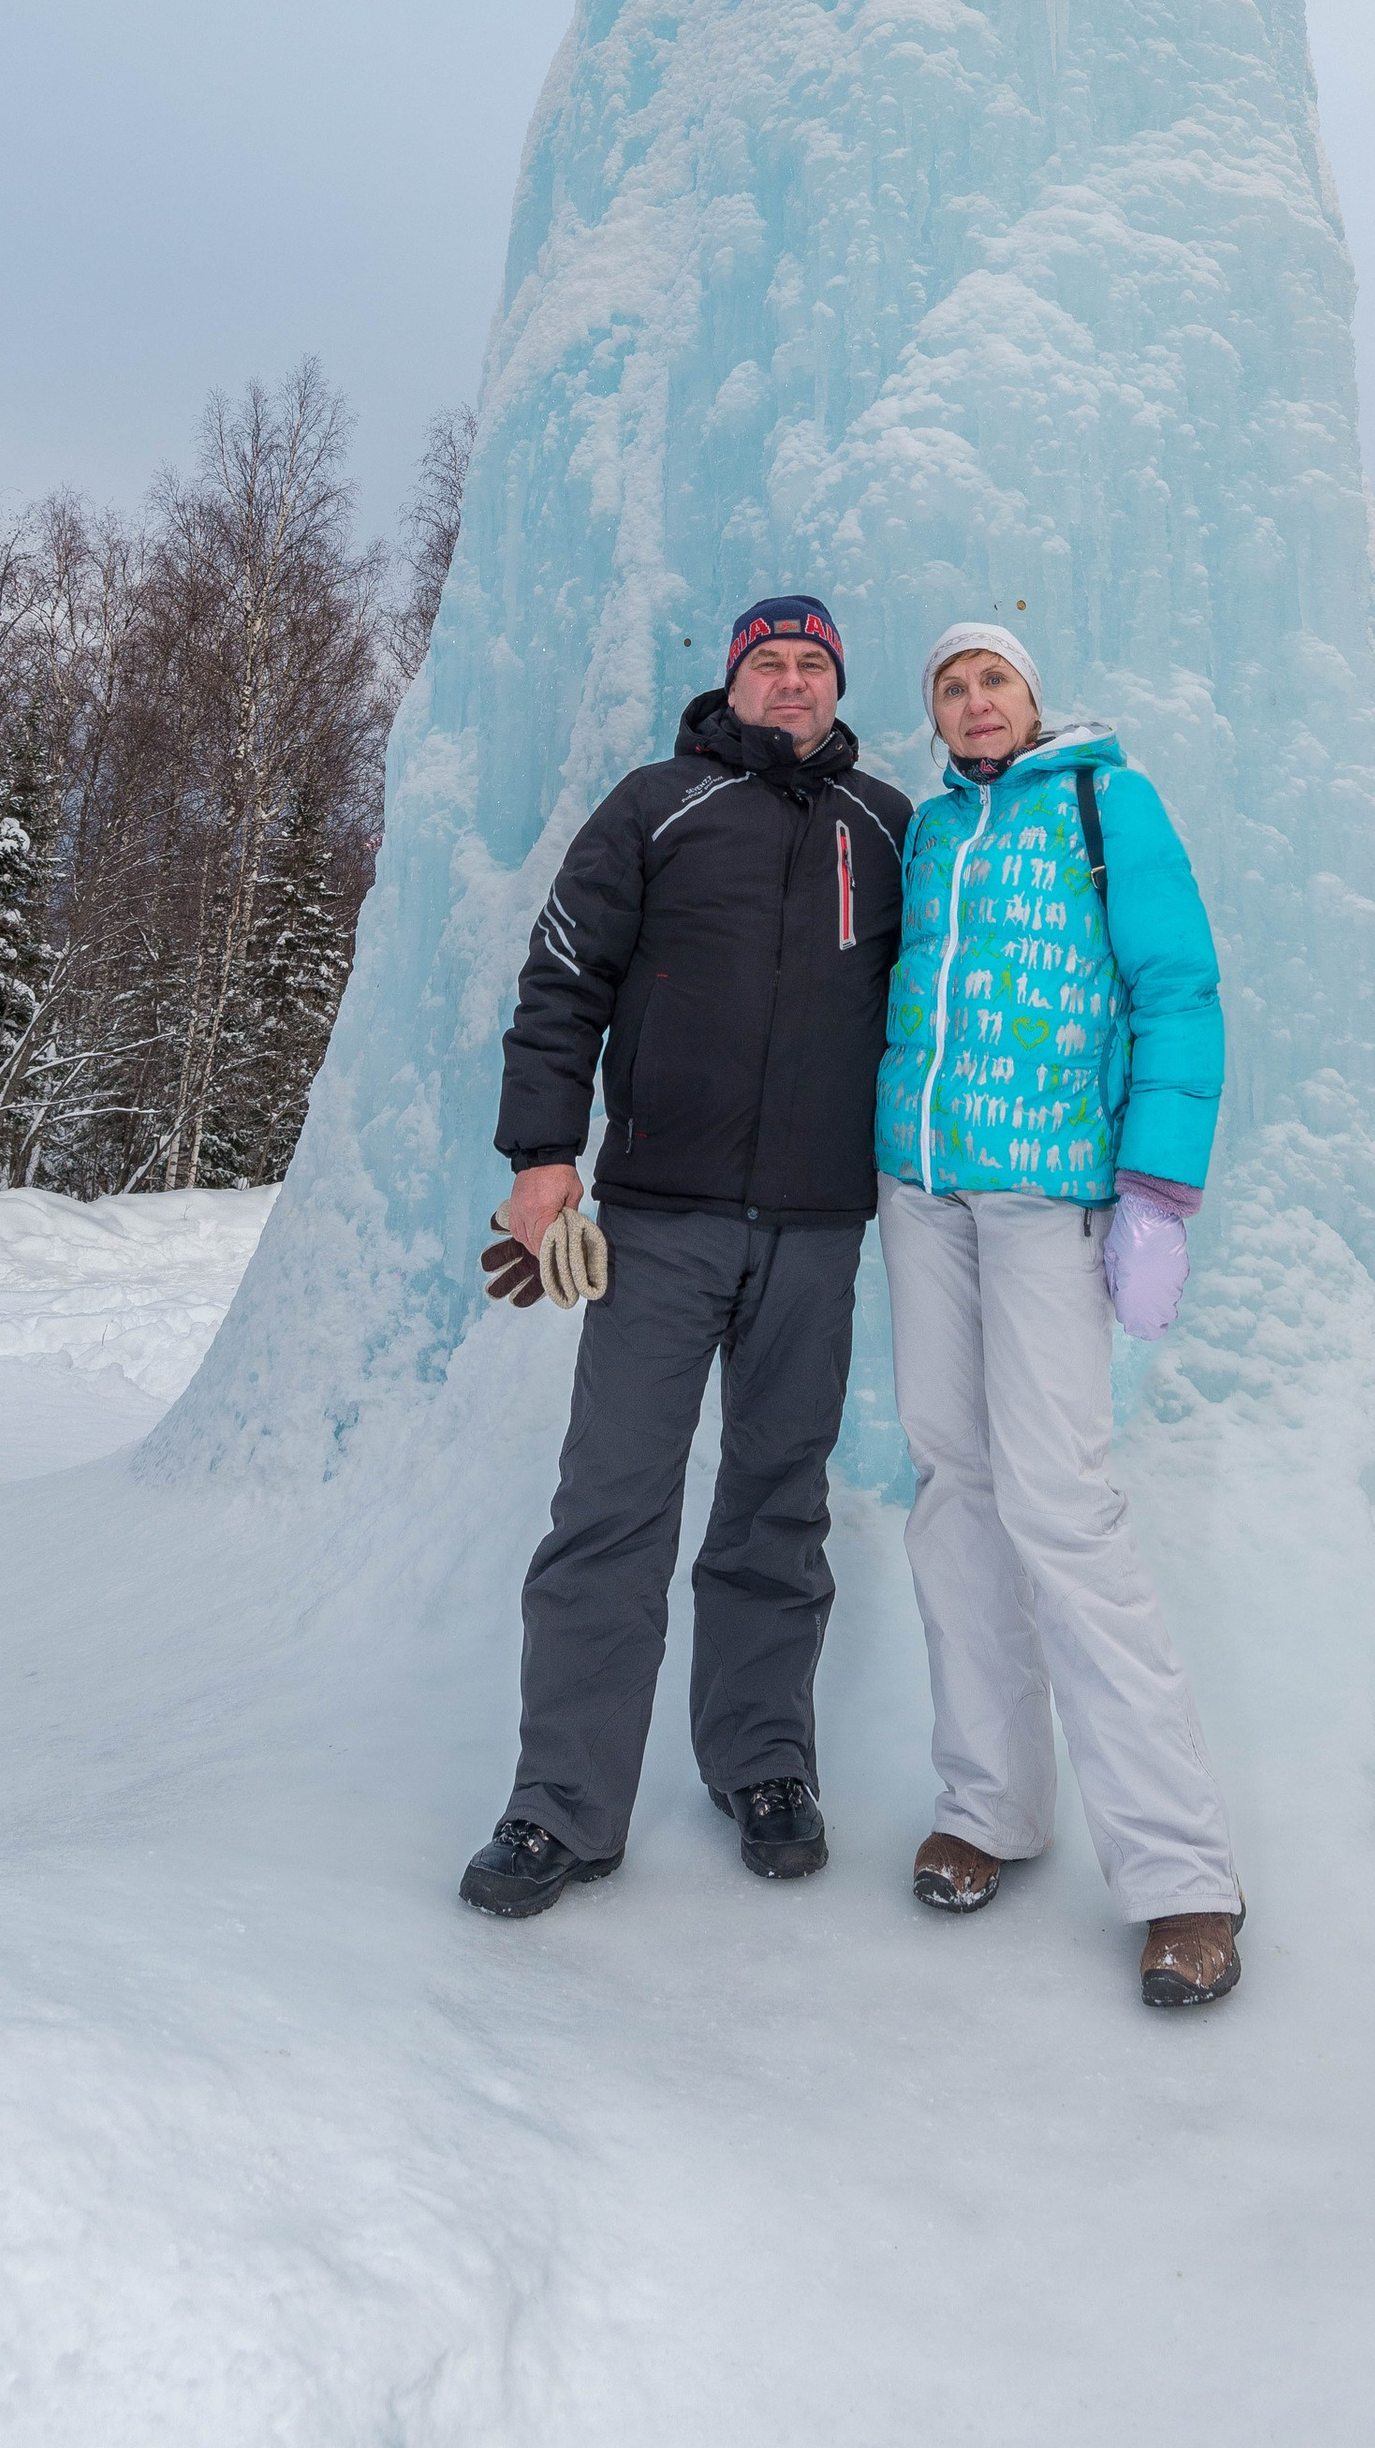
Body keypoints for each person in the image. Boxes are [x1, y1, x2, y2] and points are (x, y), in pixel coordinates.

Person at [457, 595, 911, 1916]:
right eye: (770, 663)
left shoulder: (885, 822)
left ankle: (763, 1761)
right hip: (660, 1217)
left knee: (779, 1502)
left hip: (818, 1227)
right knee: (612, 1502)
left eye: (812, 664)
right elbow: (565, 976)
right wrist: (543, 1154)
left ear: (838, 686)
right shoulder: (657, 803)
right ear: (732, 680)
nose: (791, 682)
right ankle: (561, 1804)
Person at [872, 624, 1241, 2014]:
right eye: (951, 685)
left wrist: (1157, 1188)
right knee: (952, 1485)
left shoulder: (1106, 799)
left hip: (1047, 1194)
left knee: (1061, 1502)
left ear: (1031, 696)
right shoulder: (927, 832)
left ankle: (1181, 1871)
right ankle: (990, 1803)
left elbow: (1176, 985)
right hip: (922, 1190)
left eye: (993, 679)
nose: (973, 700)